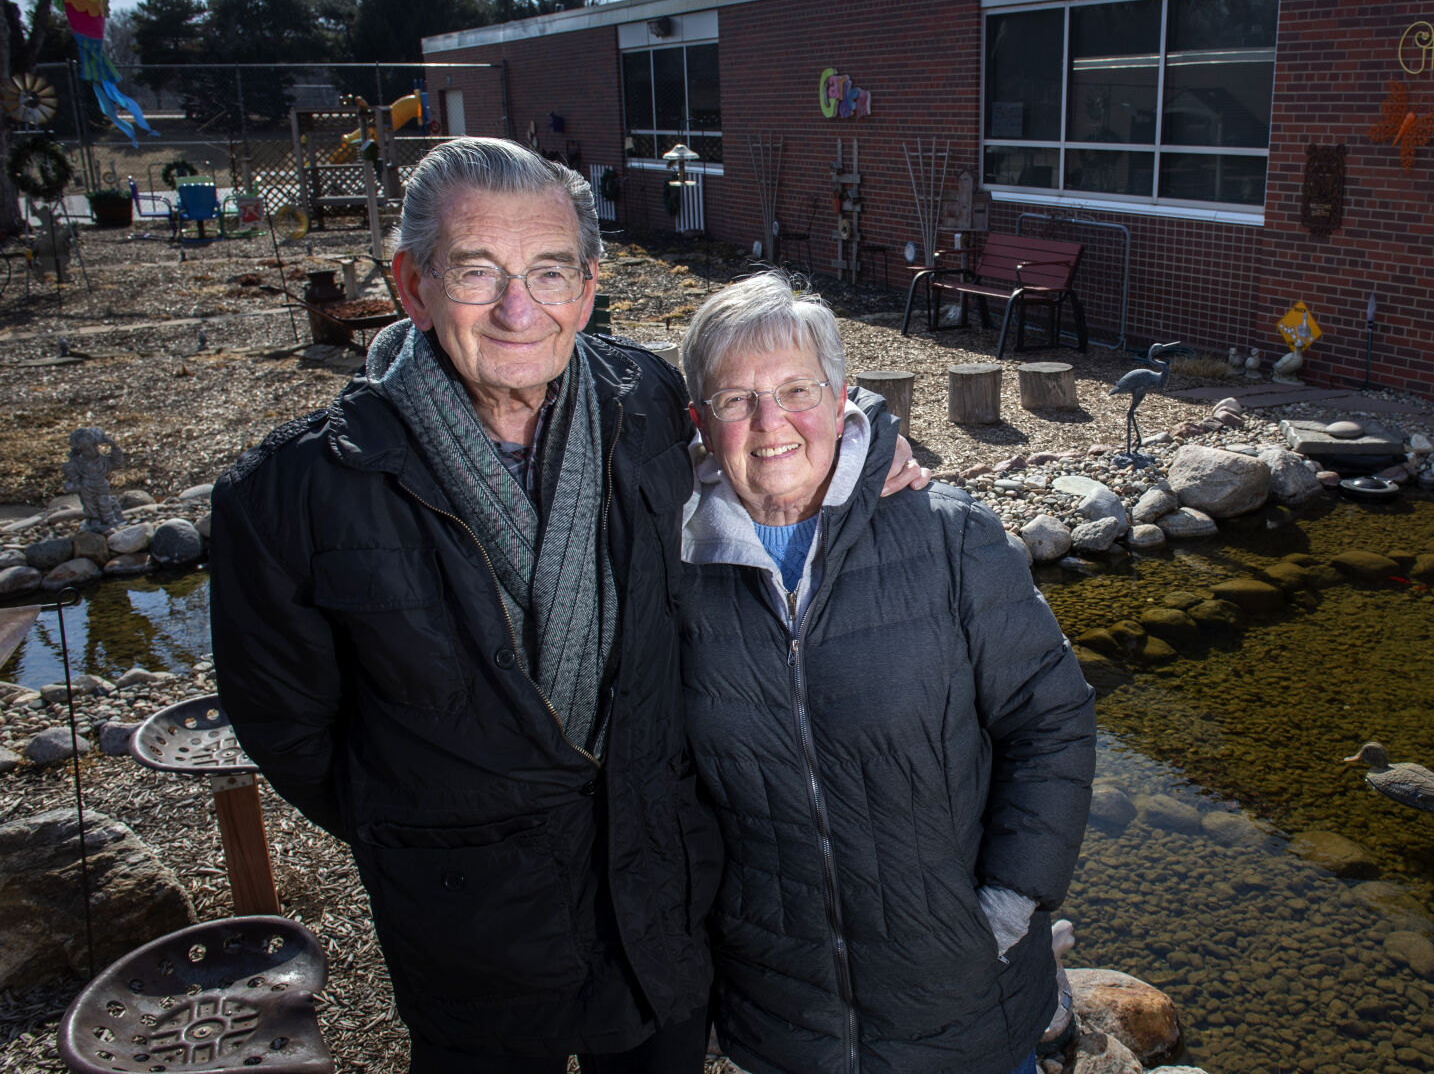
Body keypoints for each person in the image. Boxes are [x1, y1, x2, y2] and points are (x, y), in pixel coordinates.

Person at [207, 138, 922, 1073]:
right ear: (411, 286)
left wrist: (876, 445)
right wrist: (428, 821)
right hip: (468, 920)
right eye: (476, 271)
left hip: (657, 893)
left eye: (548, 272)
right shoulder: (289, 493)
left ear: (587, 289)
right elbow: (291, 729)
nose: (518, 307)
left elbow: (775, 415)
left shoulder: (651, 403)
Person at [676, 273, 1097, 1074]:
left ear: (842, 400)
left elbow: (1049, 720)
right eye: (735, 399)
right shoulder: (669, 567)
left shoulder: (947, 535)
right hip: (783, 1017)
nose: (771, 424)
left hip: (964, 1004)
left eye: (797, 389)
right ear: (700, 421)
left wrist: (1008, 902)